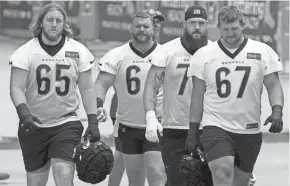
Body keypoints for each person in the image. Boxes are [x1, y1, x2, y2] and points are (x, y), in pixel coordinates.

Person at [187, 5, 284, 186]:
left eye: (234, 29)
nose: (230, 33)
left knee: (240, 182)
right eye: (226, 29)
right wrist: (192, 131)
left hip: (249, 128)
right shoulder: (204, 55)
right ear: (218, 27)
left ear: (243, 25)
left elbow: (274, 86)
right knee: (222, 173)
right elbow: (197, 96)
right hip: (215, 125)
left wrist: (277, 111)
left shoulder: (263, 51)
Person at [9, 3, 100, 186]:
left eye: (59, 20)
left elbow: (87, 89)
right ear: (41, 23)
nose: (54, 24)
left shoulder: (78, 50)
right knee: (35, 183)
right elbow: (16, 88)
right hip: (33, 124)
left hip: (66, 123)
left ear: (65, 24)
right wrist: (24, 114)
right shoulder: (26, 51)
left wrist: (93, 121)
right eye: (49, 20)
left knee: (63, 175)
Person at [95, 11, 167, 186]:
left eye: (146, 26)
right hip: (128, 125)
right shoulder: (117, 54)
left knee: (156, 173)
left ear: (153, 29)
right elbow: (101, 84)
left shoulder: (165, 53)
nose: (142, 30)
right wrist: (98, 104)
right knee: (135, 179)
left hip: (156, 124)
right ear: (130, 28)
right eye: (138, 26)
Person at [143, 5, 211, 186]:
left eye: (201, 22)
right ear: (184, 24)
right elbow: (151, 84)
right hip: (175, 128)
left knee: (209, 181)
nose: (197, 26)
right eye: (192, 22)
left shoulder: (215, 52)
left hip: (210, 128)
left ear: (207, 25)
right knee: (178, 180)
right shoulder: (166, 50)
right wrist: (150, 115)